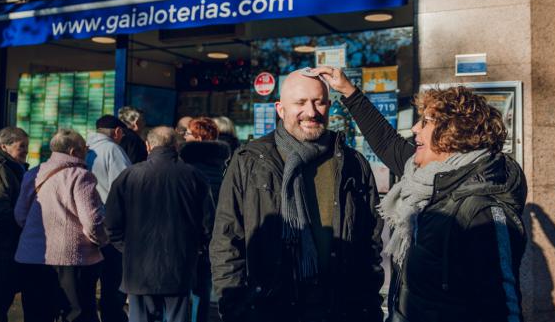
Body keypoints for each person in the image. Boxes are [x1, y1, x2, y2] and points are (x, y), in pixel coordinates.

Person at [314, 66, 527, 322]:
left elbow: (502, 309)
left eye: (426, 122)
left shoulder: (483, 211)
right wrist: (348, 90)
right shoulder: (430, 180)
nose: (415, 128)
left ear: (454, 132)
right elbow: (386, 142)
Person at [209, 70, 384, 322]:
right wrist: (235, 309)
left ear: (329, 106)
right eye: (300, 103)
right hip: (268, 311)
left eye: (319, 102)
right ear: (280, 109)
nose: (311, 112)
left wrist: (368, 308)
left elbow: (371, 243)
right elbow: (226, 242)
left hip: (339, 310)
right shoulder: (249, 161)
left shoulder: (352, 163)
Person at [105, 127, 213, 322]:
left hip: (138, 266)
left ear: (148, 146)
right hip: (179, 265)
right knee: (177, 317)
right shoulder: (194, 177)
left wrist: (126, 247)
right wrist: (196, 248)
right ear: (177, 146)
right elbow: (208, 223)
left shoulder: (128, 176)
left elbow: (112, 223)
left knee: (140, 317)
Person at [14, 129, 107, 322]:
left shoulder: (33, 174)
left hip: (31, 258)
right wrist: (102, 241)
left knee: (37, 314)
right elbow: (92, 221)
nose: (87, 153)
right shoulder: (80, 176)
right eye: (85, 149)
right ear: (74, 152)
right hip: (72, 260)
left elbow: (20, 215)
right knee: (76, 314)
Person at [179, 117, 230, 322]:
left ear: (198, 137)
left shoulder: (186, 168)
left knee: (182, 286)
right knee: (203, 283)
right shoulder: (223, 165)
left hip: (187, 231)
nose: (185, 136)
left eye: (189, 133)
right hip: (214, 231)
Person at [86, 115, 132, 322]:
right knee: (112, 281)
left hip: (87, 224)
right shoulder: (113, 150)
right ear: (117, 132)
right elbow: (127, 186)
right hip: (111, 225)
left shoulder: (85, 148)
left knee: (89, 282)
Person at [0, 127, 28, 322]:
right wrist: (20, 226)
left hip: (7, 245)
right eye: (21, 146)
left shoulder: (13, 167)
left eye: (26, 145)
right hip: (1, 246)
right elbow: (0, 208)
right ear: (3, 146)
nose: (25, 150)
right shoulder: (0, 168)